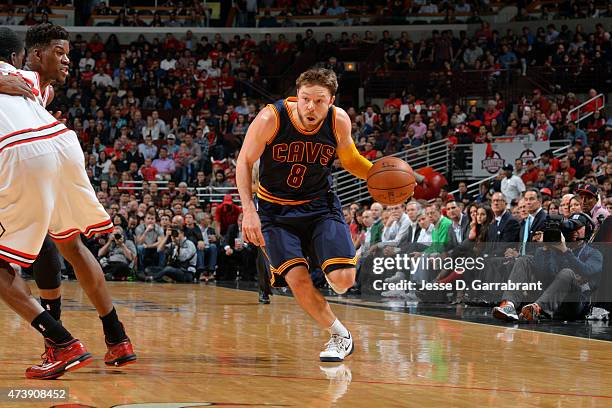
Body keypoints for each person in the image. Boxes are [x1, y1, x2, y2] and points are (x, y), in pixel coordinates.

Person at [0, 25, 135, 380]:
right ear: (22, 56)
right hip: (61, 146)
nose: (66, 61)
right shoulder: (28, 80)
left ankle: (60, 342)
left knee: (8, 264)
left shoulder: (25, 77)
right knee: (67, 243)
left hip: (22, 153)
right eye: (60, 53)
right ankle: (117, 338)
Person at [236, 68, 381, 362]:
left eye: (318, 101)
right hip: (274, 210)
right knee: (298, 280)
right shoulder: (270, 118)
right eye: (305, 99)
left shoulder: (338, 120)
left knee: (342, 280)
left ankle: (326, 260)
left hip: (319, 205)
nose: (310, 107)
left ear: (331, 101)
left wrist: (379, 175)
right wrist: (248, 211)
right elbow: (244, 161)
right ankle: (340, 336)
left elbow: (350, 158)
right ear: (296, 95)